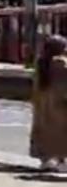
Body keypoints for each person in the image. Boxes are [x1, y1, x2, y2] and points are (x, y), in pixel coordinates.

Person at [32, 35, 67, 171]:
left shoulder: (41, 63)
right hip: (60, 105)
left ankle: (47, 161)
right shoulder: (61, 63)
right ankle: (60, 163)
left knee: (47, 133)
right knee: (61, 134)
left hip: (44, 104)